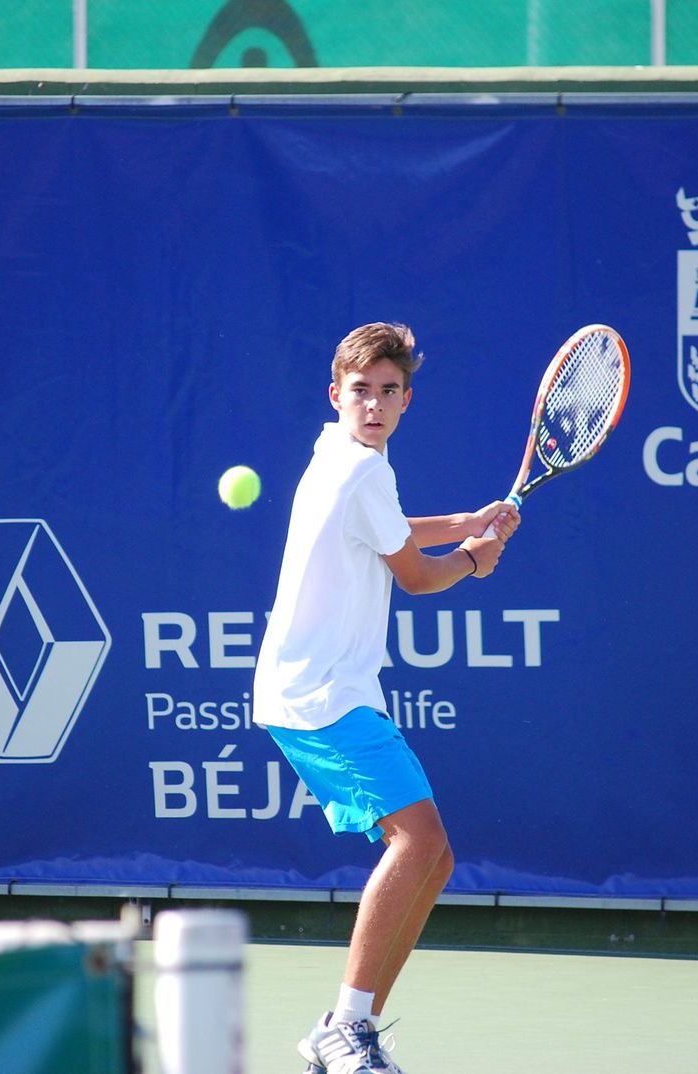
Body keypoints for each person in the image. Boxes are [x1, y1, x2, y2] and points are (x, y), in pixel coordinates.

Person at [252, 322, 519, 1074]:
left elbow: (386, 534)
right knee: (421, 844)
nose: (373, 404)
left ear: (406, 400)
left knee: (435, 859)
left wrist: (463, 524)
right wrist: (473, 558)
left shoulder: (343, 453)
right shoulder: (361, 469)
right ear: (336, 394)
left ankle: (352, 1027)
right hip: (319, 695)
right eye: (360, 391)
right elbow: (416, 575)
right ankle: (343, 1027)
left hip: (326, 689)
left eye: (387, 392)